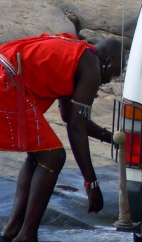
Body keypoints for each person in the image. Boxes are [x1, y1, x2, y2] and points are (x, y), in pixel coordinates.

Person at [0, 33, 122, 242]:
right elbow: (75, 127)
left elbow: (71, 117)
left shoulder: (79, 53)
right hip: (8, 85)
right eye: (114, 73)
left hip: (7, 77)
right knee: (54, 156)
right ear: (109, 60)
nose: (110, 80)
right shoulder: (91, 67)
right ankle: (27, 235)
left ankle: (12, 232)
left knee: (39, 154)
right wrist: (91, 184)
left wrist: (110, 138)